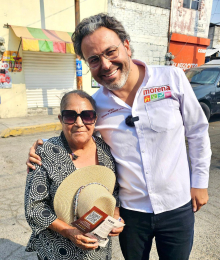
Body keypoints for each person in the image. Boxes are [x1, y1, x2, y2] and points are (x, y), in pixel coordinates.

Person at [27, 13, 211, 260]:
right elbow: (78, 131)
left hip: (177, 205)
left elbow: (197, 131)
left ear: (126, 45)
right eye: (94, 59)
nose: (105, 64)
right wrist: (43, 148)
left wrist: (199, 181)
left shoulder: (171, 79)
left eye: (110, 52)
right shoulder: (98, 105)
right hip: (130, 213)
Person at [25, 90, 123, 260]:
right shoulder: (45, 153)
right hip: (58, 251)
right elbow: (35, 208)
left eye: (87, 116)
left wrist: (115, 217)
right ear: (60, 119)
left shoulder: (107, 151)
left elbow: (114, 194)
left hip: (98, 252)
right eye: (70, 116)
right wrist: (69, 232)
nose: (79, 123)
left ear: (95, 118)